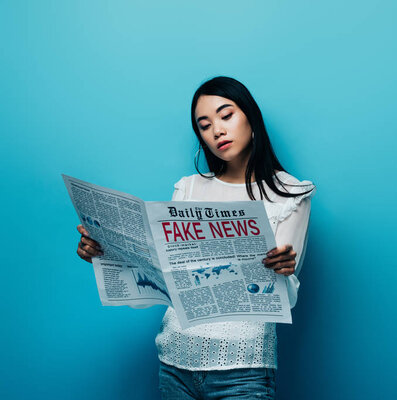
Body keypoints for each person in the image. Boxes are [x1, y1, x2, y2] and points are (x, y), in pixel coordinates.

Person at [75, 76, 315, 399]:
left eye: (226, 115)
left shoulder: (290, 194)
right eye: (204, 125)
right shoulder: (187, 188)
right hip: (173, 363)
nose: (216, 130)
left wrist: (284, 268)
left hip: (242, 372)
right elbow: (162, 275)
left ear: (251, 117)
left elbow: (287, 298)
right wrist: (102, 251)